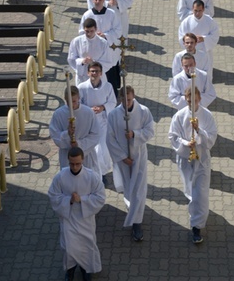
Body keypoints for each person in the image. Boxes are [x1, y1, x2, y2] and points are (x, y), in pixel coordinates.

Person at [48, 146, 105, 281]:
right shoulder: (60, 177)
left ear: (83, 160)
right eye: (72, 164)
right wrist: (69, 200)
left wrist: (82, 200)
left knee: (87, 245)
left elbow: (100, 197)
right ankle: (70, 270)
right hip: (68, 218)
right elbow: (53, 196)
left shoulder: (92, 177)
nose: (74, 167)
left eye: (78, 163)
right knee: (69, 247)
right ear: (68, 161)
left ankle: (86, 269)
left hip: (85, 219)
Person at [168, 86, 217, 244]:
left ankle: (196, 226)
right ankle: (195, 211)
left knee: (200, 194)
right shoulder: (179, 116)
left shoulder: (207, 116)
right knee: (190, 191)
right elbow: (173, 136)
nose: (192, 104)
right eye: (189, 102)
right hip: (186, 159)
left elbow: (211, 138)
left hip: (201, 160)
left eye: (194, 101)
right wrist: (185, 142)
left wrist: (199, 131)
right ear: (186, 100)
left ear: (199, 99)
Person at [106, 85, 154, 241]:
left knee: (139, 189)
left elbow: (150, 131)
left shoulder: (144, 111)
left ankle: (137, 223)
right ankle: (132, 209)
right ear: (120, 99)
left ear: (133, 97)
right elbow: (110, 138)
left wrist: (135, 134)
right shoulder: (113, 115)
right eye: (124, 99)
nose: (127, 102)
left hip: (139, 155)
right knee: (129, 188)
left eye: (129, 99)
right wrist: (121, 157)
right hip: (123, 158)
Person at [78, 62, 117, 183]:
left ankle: (102, 173)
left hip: (102, 121)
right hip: (87, 122)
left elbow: (112, 102)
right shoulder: (82, 87)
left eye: (97, 71)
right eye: (92, 71)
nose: (94, 74)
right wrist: (88, 110)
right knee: (91, 150)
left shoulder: (108, 86)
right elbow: (77, 104)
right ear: (88, 73)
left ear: (101, 73)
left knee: (103, 149)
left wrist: (103, 107)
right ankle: (92, 174)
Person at [80, 0, 123, 97]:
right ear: (92, 0)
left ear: (104, 0)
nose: (97, 1)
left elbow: (118, 30)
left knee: (110, 73)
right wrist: (92, 35)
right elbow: (81, 32)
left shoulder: (111, 14)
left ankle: (112, 94)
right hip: (93, 50)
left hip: (109, 48)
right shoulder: (87, 15)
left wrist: (105, 35)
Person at [49, 85, 100, 173]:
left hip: (86, 155)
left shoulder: (88, 113)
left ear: (79, 98)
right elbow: (55, 136)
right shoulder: (58, 114)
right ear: (65, 99)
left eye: (74, 101)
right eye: (69, 102)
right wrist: (67, 134)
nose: (72, 105)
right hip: (67, 156)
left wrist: (79, 144)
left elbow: (95, 135)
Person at [178, 0, 220, 79]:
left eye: (200, 11)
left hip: (205, 52)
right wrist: (190, 43)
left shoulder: (210, 21)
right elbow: (181, 36)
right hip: (191, 53)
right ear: (192, 9)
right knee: (192, 76)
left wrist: (204, 39)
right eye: (195, 10)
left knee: (205, 74)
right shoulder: (186, 22)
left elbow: (215, 35)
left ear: (203, 9)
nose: (197, 13)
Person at [68, 18, 112, 86]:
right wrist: (82, 61)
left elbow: (108, 61)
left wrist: (93, 63)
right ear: (83, 29)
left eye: (91, 31)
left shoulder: (103, 43)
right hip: (83, 77)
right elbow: (71, 59)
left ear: (96, 29)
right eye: (87, 31)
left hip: (98, 77)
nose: (89, 33)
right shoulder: (76, 41)